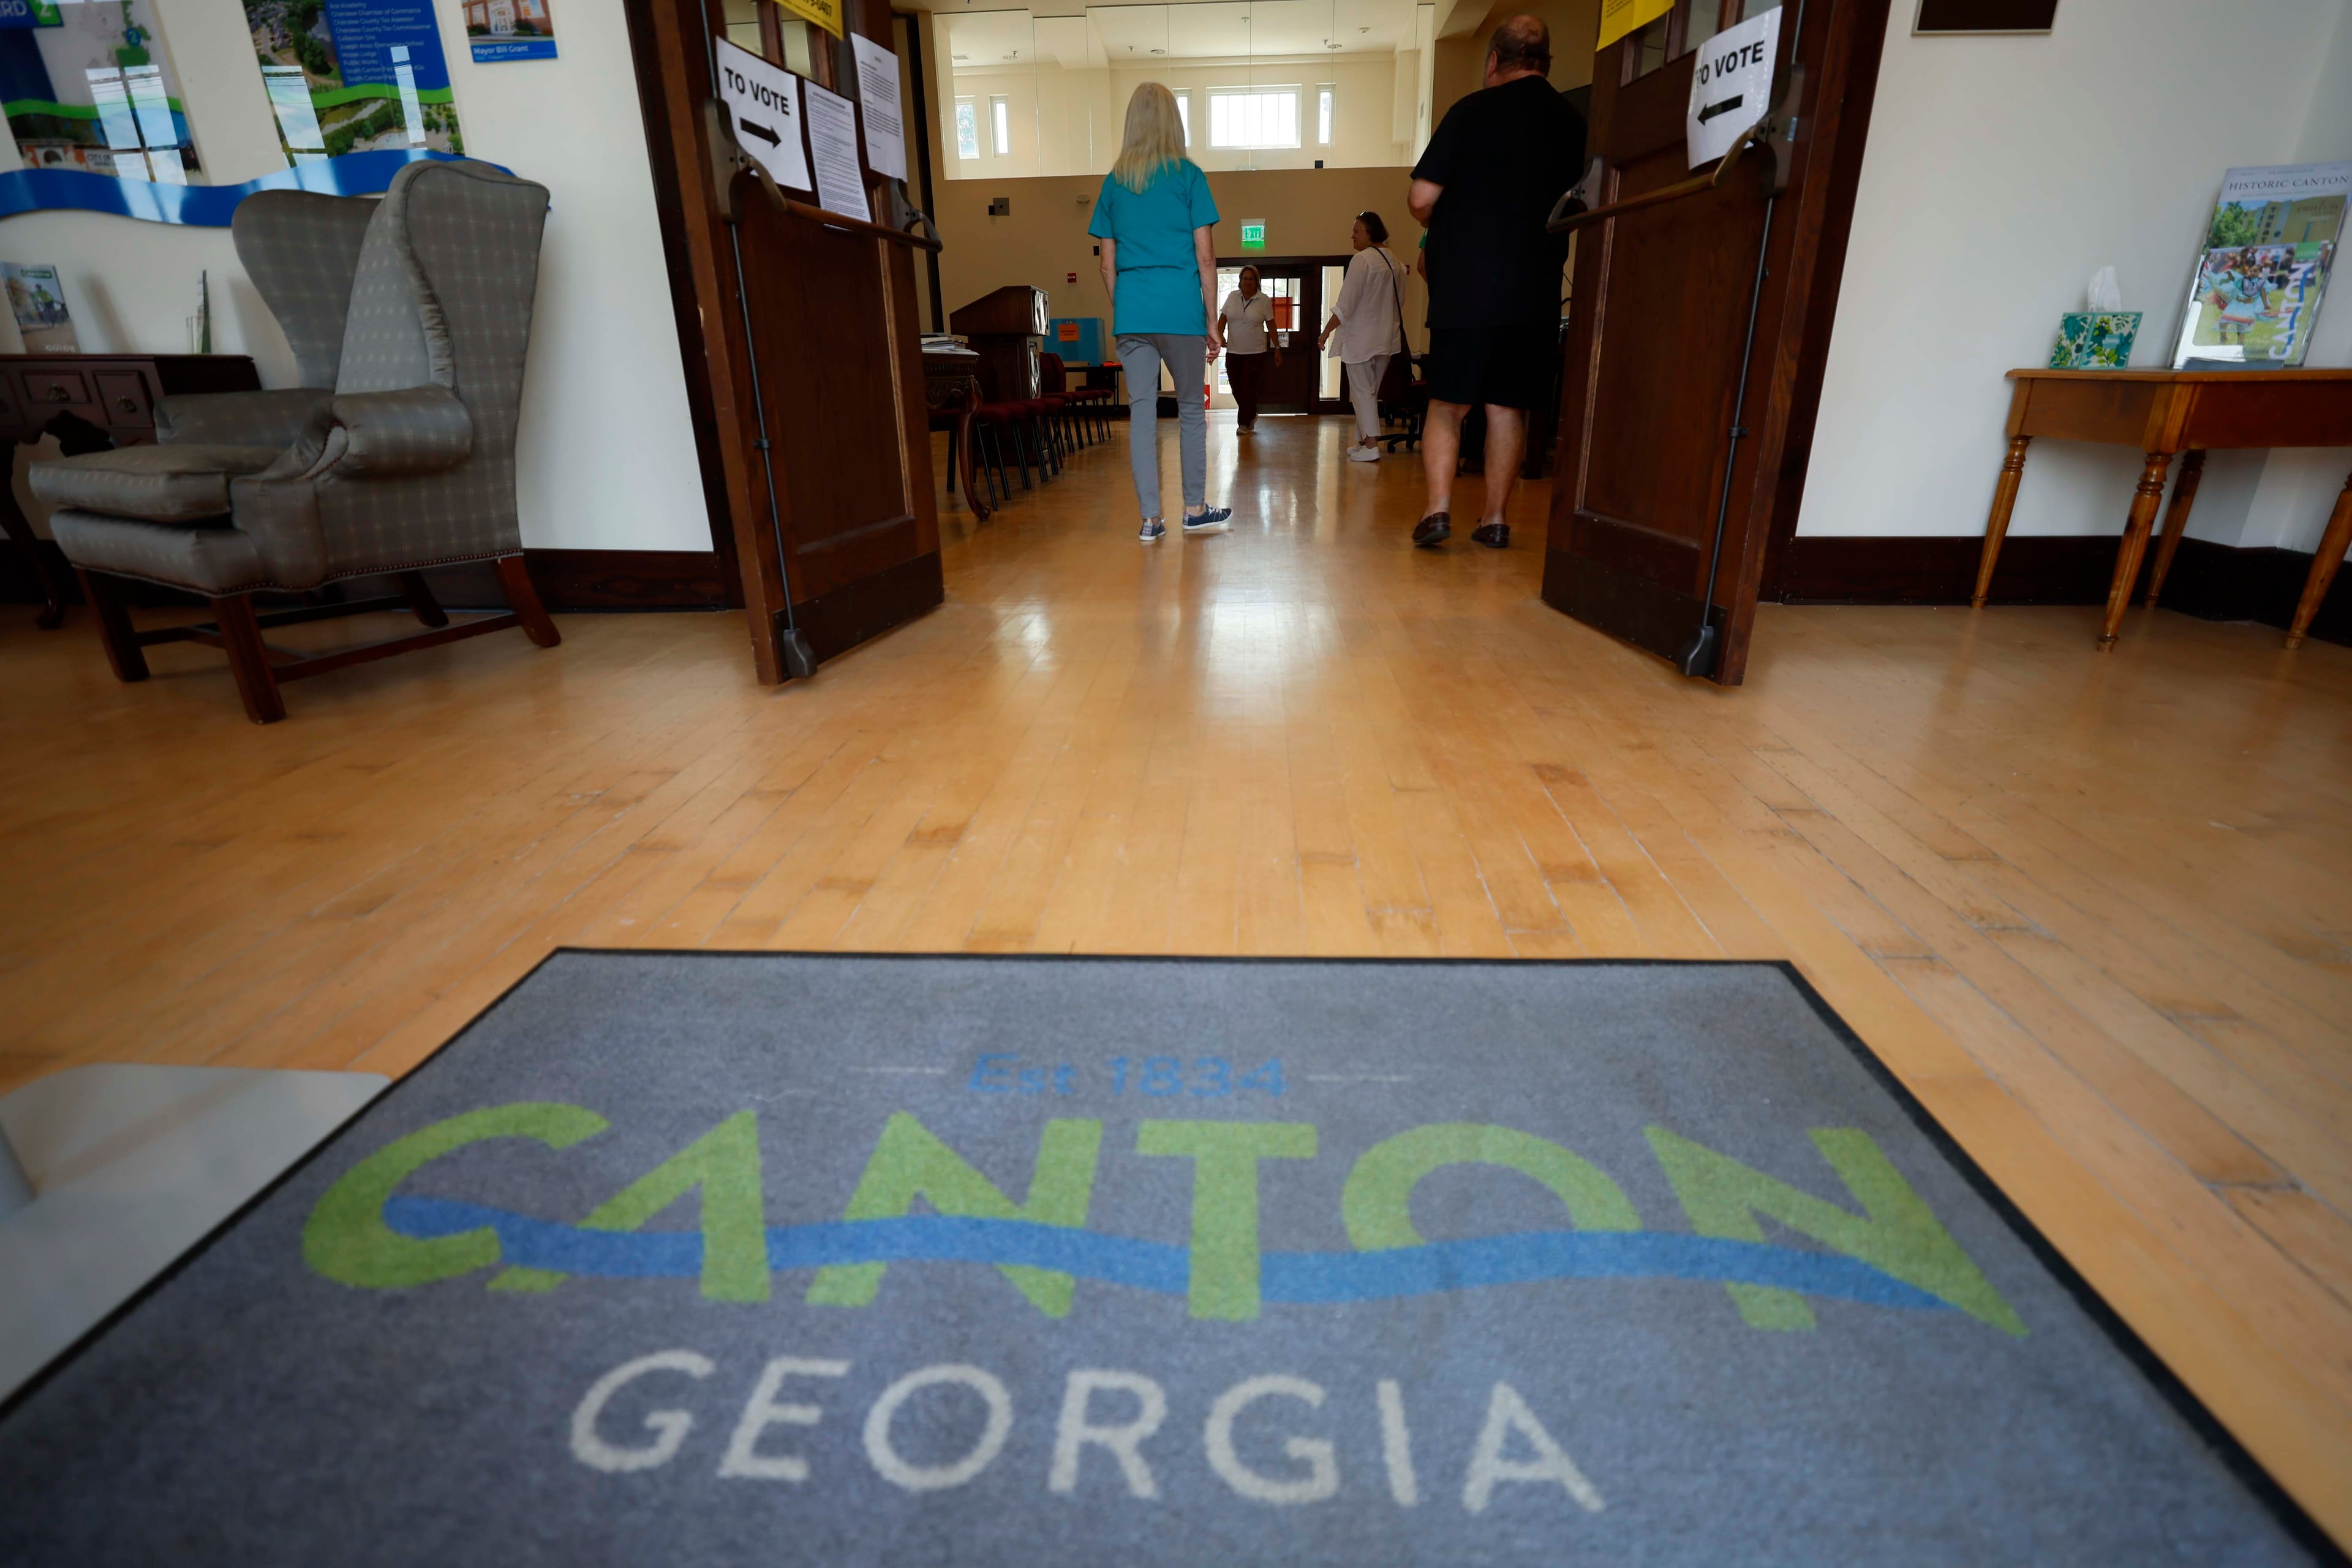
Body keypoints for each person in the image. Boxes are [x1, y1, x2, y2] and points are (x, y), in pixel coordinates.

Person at [1406, 15, 1584, 548]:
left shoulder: (1471, 111)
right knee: (1507, 405)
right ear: (1544, 63)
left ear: (1492, 62)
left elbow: (1420, 198)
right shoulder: (1572, 121)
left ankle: (1438, 511)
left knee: (1449, 402)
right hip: (1535, 285)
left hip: (1467, 283)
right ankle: (1496, 519)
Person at [1089, 83, 1232, 544]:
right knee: (1191, 408)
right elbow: (1206, 258)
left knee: (1143, 413)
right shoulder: (1190, 177)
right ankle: (1194, 508)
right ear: (1175, 121)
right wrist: (1212, 321)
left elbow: (1106, 265)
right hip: (1181, 311)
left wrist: (1127, 307)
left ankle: (1151, 520)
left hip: (1133, 312)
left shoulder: (1114, 182)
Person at [1319, 211, 1405, 462]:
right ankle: (1361, 441)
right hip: (1386, 338)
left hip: (1361, 339)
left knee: (1362, 392)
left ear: (1370, 232)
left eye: (1356, 231)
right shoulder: (1396, 263)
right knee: (1369, 392)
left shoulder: (1362, 261)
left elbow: (1346, 305)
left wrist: (1326, 332)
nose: (1352, 236)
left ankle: (1371, 445)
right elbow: (1400, 302)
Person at [1219, 265, 1281, 434]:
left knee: (1248, 387)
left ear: (1256, 282)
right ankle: (1252, 413)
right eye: (1245, 279)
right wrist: (1220, 336)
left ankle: (1244, 424)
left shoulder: (1264, 300)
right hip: (1233, 352)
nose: (1247, 282)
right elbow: (1223, 318)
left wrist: (1277, 348)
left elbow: (1271, 324)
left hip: (1255, 353)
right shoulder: (1232, 297)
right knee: (1235, 386)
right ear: (1240, 281)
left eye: (1251, 279)